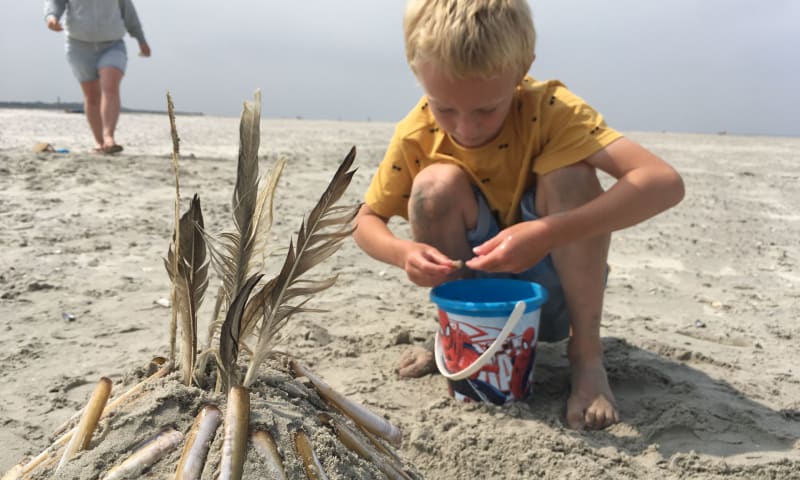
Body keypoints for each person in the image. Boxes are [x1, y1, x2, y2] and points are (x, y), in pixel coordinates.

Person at [352, 0, 685, 430]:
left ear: (522, 66)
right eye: (445, 108)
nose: (465, 129)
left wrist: (548, 232)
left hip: (558, 289)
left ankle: (586, 357)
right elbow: (364, 220)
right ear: (416, 71)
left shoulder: (552, 111)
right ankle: (455, 336)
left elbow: (663, 182)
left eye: (487, 109)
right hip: (476, 296)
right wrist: (401, 253)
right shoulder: (416, 133)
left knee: (570, 176)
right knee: (433, 186)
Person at [44, 0, 151, 154]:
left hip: (112, 44)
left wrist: (141, 40)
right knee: (92, 96)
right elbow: (55, 2)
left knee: (110, 87)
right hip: (78, 46)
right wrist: (51, 17)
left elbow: (129, 12)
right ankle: (99, 142)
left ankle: (109, 137)